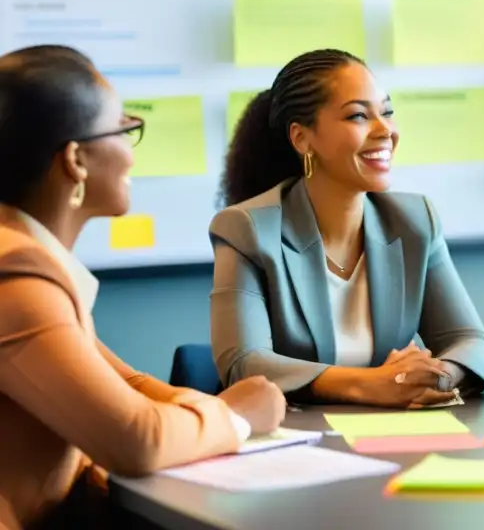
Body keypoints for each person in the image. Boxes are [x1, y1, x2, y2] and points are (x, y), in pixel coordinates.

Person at [0, 46, 285, 530]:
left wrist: (206, 408)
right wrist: (235, 419)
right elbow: (136, 439)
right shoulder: (18, 278)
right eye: (124, 130)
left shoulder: (26, 258)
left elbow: (125, 385)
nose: (131, 152)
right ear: (76, 160)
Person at [210, 49, 484, 409]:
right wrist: (369, 384)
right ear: (302, 139)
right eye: (359, 115)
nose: (385, 131)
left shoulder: (414, 221)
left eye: (387, 112)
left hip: (393, 436)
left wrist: (433, 376)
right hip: (292, 443)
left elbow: (473, 342)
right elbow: (244, 364)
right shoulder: (247, 229)